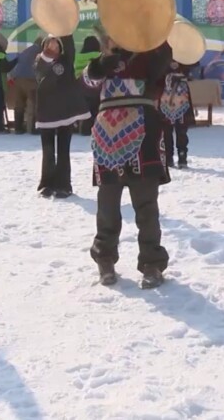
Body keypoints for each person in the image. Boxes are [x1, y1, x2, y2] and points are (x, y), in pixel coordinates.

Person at [84, 36, 173, 288]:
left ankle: (152, 263)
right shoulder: (102, 60)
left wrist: (156, 45)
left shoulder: (151, 53)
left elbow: (160, 76)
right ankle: (105, 258)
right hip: (107, 136)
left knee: (146, 205)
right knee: (107, 204)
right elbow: (86, 84)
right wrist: (101, 64)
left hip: (143, 130)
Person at [33, 34, 89, 198]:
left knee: (63, 150)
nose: (54, 46)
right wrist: (47, 55)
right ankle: (47, 184)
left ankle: (64, 185)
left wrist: (65, 27)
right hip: (46, 111)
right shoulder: (40, 60)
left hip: (65, 111)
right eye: (50, 43)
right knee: (48, 150)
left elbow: (69, 45)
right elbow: (40, 71)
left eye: (57, 43)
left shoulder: (66, 59)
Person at [158, 60, 195, 169]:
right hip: (165, 95)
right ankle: (168, 157)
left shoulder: (184, 51)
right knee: (166, 130)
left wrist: (183, 68)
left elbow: (193, 62)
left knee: (182, 130)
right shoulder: (162, 52)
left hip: (181, 96)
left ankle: (182, 156)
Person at [7, 37, 42, 135]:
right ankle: (33, 129)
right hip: (31, 81)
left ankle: (18, 128)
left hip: (17, 80)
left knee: (19, 105)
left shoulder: (25, 51)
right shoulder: (40, 52)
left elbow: (17, 64)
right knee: (33, 105)